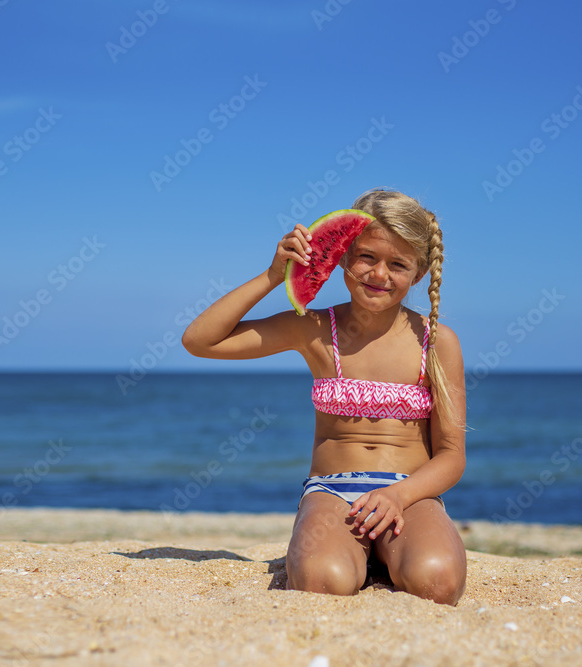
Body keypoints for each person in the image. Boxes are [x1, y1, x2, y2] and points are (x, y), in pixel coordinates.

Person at [181, 188, 467, 604]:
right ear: (343, 257)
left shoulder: (436, 342)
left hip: (410, 494)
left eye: (398, 264)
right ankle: (350, 552)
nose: (379, 274)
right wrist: (272, 276)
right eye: (366, 257)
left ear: (419, 274)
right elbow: (200, 340)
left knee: (436, 582)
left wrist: (397, 496)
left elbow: (451, 454)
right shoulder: (313, 329)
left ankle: (388, 554)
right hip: (333, 494)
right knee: (321, 583)